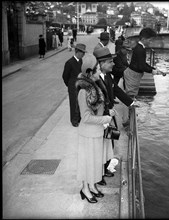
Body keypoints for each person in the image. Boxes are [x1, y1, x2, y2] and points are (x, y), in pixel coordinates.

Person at [93, 47, 139, 185]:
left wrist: (131, 103)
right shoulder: (93, 80)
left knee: (109, 144)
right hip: (100, 119)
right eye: (110, 62)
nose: (113, 64)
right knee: (99, 146)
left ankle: (106, 166)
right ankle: (97, 174)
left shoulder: (107, 76)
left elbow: (117, 90)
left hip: (109, 116)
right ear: (102, 64)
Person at [75, 54, 112, 203]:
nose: (99, 72)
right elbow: (86, 118)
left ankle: (92, 185)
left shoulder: (94, 87)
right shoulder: (84, 91)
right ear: (90, 73)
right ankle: (85, 189)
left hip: (96, 132)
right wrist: (105, 119)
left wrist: (107, 115)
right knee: (86, 162)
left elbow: (99, 109)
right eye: (97, 69)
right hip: (88, 134)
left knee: (94, 162)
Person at [124, 27, 161, 99]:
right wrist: (152, 71)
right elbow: (141, 66)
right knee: (131, 94)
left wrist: (153, 68)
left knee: (132, 93)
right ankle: (131, 107)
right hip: (133, 74)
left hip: (134, 73)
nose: (151, 42)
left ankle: (131, 106)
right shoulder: (140, 49)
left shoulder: (140, 47)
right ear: (143, 39)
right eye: (150, 40)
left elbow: (142, 63)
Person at [62, 44, 86, 127]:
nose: (83, 54)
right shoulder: (69, 62)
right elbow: (65, 76)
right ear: (76, 52)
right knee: (74, 103)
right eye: (82, 52)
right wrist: (69, 85)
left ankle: (79, 118)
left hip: (80, 85)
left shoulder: (81, 61)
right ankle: (74, 120)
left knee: (80, 102)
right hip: (72, 86)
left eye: (84, 53)